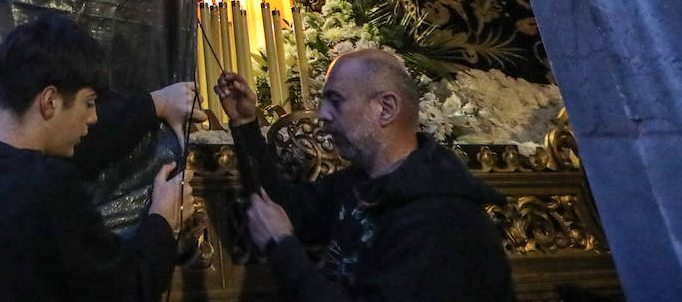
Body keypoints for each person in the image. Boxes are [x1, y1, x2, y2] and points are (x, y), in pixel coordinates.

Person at [0, 14, 201, 302]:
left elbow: (82, 136)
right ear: (50, 101)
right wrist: (163, 217)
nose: (94, 117)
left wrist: (157, 104)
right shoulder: (47, 187)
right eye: (89, 103)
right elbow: (129, 288)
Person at [215, 49, 513, 301]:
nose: (322, 114)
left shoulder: (441, 216)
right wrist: (245, 123)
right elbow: (282, 209)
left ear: (386, 108)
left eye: (336, 100)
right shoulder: (358, 183)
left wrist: (282, 246)